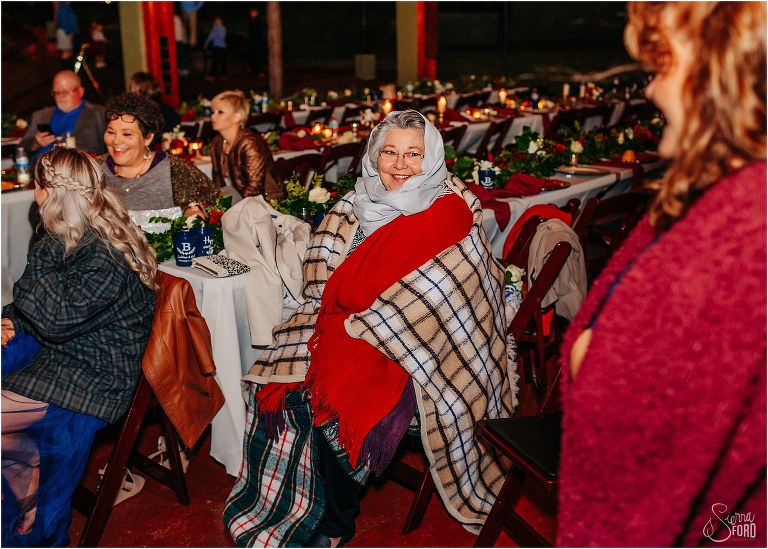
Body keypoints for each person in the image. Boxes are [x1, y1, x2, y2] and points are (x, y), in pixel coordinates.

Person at [223, 110, 516, 547]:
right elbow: (321, 277)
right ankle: (284, 510)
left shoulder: (452, 210)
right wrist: (348, 312)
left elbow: (451, 294)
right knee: (274, 383)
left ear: (432, 157)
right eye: (390, 153)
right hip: (342, 329)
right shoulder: (354, 204)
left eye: (413, 154)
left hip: (421, 351)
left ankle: (334, 525)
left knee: (335, 410)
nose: (400, 165)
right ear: (374, 157)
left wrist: (373, 318)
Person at [559, 2, 766, 547]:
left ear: (723, 71)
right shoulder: (716, 200)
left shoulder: (748, 230)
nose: (650, 91)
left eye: (663, 67)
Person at [1, 147, 157, 546]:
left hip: (96, 376)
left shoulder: (102, 250)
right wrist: (10, 320)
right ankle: (25, 465)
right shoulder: (78, 231)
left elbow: (55, 317)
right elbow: (46, 305)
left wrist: (44, 247)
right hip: (71, 353)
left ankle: (27, 471)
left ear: (47, 192)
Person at [99, 92, 219, 222]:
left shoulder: (176, 171)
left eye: (127, 134)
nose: (116, 141)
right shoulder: (94, 171)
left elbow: (219, 210)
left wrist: (197, 214)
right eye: (111, 132)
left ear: (148, 138)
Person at [209, 89, 285, 202]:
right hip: (237, 204)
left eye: (220, 112)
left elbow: (254, 189)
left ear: (237, 117)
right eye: (213, 112)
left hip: (268, 203)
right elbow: (218, 184)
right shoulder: (217, 142)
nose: (213, 117)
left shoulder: (250, 144)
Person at [20, 70, 107, 160]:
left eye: (65, 92)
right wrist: (35, 143)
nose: (61, 96)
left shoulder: (98, 113)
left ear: (80, 91)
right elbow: (20, 149)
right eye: (57, 92)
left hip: (80, 169)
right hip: (38, 169)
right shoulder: (41, 115)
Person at [55, 1, 78, 66]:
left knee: (68, 52)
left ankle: (67, 69)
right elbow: (63, 21)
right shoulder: (63, 7)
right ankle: (65, 70)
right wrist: (68, 33)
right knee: (66, 52)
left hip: (67, 32)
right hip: (65, 33)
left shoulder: (66, 7)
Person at [247, 7, 266, 77]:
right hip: (252, 42)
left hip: (258, 42)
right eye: (251, 13)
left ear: (256, 13)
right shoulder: (250, 20)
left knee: (259, 57)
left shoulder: (258, 21)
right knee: (253, 57)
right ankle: (254, 71)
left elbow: (259, 31)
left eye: (253, 12)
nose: (252, 14)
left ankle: (260, 71)